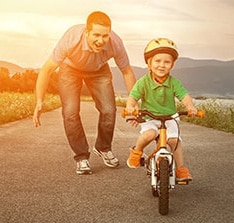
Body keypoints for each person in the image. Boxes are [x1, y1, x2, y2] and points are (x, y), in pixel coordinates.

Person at [33, 11, 136, 175]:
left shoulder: (115, 42)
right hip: (70, 69)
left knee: (109, 110)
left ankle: (103, 147)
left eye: (105, 36)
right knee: (71, 112)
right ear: (86, 31)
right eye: (96, 35)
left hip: (99, 70)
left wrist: (133, 101)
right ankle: (81, 157)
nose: (101, 41)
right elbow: (46, 70)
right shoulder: (71, 38)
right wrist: (39, 100)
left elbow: (127, 72)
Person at [125, 37, 197, 181]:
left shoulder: (174, 83)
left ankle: (181, 169)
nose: (161, 65)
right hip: (149, 117)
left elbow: (184, 96)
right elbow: (133, 97)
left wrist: (190, 106)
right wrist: (130, 108)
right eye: (157, 61)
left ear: (172, 65)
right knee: (149, 135)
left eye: (167, 62)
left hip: (170, 117)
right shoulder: (143, 82)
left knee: (173, 141)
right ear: (149, 64)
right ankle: (136, 152)